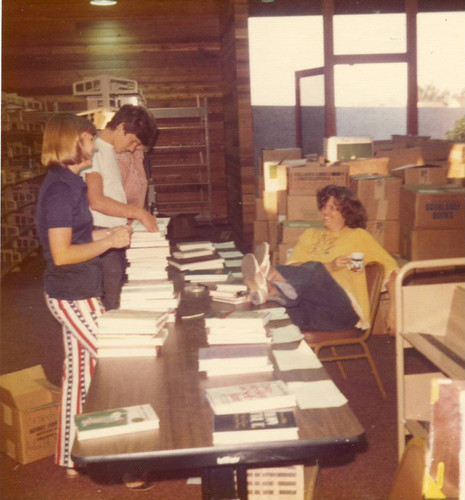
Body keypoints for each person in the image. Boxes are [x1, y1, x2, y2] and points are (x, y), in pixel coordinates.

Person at [35, 113, 132, 476]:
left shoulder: (69, 183)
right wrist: (109, 240)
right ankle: (129, 460)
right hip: (72, 293)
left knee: (79, 374)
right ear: (72, 142)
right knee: (120, 361)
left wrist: (111, 235)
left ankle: (69, 457)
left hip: (79, 289)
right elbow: (62, 254)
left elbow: (77, 238)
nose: (94, 145)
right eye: (89, 139)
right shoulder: (60, 191)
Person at [242, 184, 398, 333]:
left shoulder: (358, 236)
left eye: (331, 208)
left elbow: (392, 271)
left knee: (316, 268)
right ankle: (269, 289)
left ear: (346, 211)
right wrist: (328, 265)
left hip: (342, 312)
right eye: (323, 207)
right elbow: (295, 266)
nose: (324, 212)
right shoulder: (310, 235)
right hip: (309, 308)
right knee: (269, 311)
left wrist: (393, 310)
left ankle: (268, 277)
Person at [83, 104, 158, 310]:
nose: (132, 148)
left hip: (113, 234)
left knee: (117, 294)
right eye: (133, 141)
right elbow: (96, 200)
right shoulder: (96, 152)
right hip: (101, 234)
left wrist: (129, 218)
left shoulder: (109, 152)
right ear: (121, 127)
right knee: (111, 302)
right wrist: (138, 212)